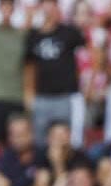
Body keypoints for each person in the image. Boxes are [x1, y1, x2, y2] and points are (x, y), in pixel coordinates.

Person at [24, 0, 86, 146]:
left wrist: (89, 84)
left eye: (52, 4)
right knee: (40, 142)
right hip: (42, 97)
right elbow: (29, 67)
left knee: (71, 142)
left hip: (66, 96)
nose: (49, 8)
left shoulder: (70, 32)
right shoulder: (33, 35)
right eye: (45, 4)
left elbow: (89, 54)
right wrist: (28, 92)